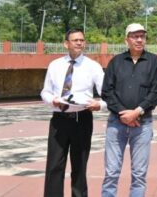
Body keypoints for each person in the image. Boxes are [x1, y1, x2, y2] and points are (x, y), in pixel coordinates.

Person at [101, 23, 157, 197]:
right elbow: (107, 91)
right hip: (116, 123)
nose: (139, 39)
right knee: (111, 172)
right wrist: (123, 114)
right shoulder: (116, 62)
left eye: (142, 36)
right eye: (134, 36)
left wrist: (137, 112)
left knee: (139, 174)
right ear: (126, 39)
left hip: (143, 124)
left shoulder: (154, 62)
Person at [40, 28, 106, 197]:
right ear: (66, 43)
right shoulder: (55, 65)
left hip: (81, 119)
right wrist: (51, 100)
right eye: (75, 40)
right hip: (59, 119)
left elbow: (107, 94)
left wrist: (99, 105)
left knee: (79, 166)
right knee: (54, 165)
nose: (79, 43)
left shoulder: (93, 66)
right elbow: (45, 91)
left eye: (82, 40)